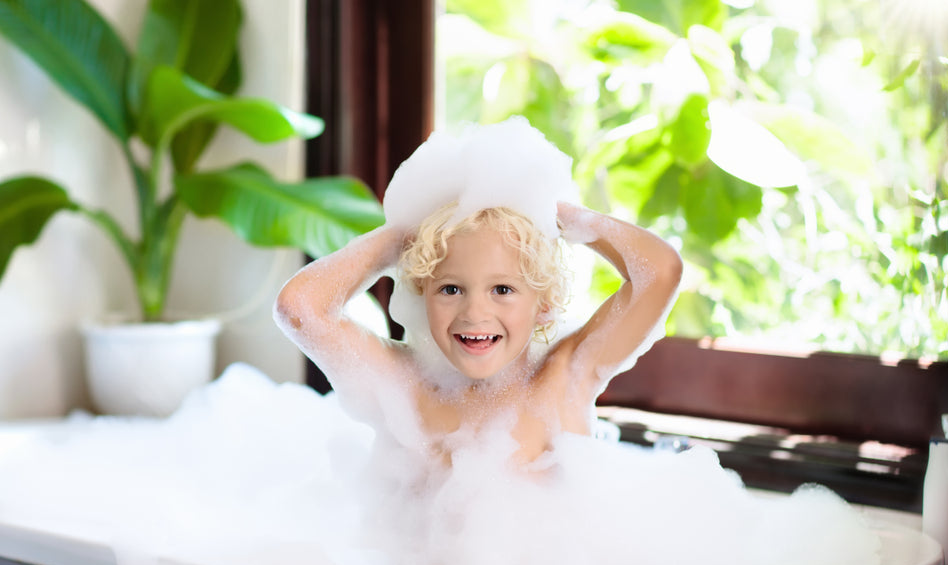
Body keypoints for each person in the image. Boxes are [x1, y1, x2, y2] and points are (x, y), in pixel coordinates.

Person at [274, 119, 683, 470]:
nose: (474, 312)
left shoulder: (566, 377)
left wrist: (562, 217)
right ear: (422, 292)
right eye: (450, 288)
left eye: (503, 289)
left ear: (545, 304)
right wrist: (401, 236)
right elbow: (299, 309)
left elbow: (660, 272)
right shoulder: (405, 383)